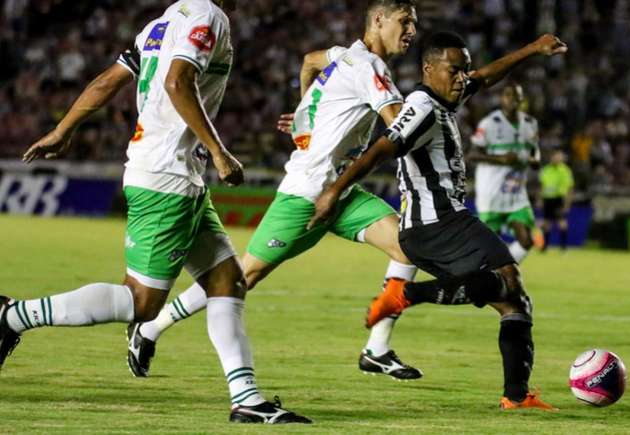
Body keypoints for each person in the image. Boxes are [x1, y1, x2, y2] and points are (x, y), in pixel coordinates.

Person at [0, 0, 310, 424]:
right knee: (142, 303)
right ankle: (12, 315)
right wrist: (220, 152)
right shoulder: (207, 16)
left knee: (227, 281)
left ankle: (247, 398)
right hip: (168, 176)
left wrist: (63, 128)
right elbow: (178, 83)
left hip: (178, 175)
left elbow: (108, 80)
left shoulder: (162, 22)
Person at [131, 0, 424, 381]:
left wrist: (306, 115)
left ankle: (377, 349)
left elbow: (309, 61)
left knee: (408, 244)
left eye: (414, 24)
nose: (412, 31)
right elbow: (398, 123)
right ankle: (150, 328)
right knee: (240, 278)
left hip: (341, 191)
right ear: (379, 20)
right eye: (405, 22)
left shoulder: (343, 54)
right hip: (305, 194)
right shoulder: (370, 68)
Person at [309, 31, 567, 410]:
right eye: (455, 70)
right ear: (429, 68)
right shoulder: (421, 107)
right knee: (509, 279)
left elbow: (485, 77)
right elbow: (383, 147)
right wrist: (333, 191)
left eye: (464, 70)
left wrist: (532, 48)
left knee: (514, 303)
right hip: (438, 223)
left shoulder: (444, 96)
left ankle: (516, 396)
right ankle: (406, 294)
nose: (463, 78)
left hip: (437, 226)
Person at [468, 82, 541, 263]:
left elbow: (535, 151)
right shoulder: (490, 123)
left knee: (526, 240)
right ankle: (488, 273)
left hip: (516, 192)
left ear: (522, 99)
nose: (513, 100)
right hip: (491, 192)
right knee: (489, 244)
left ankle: (504, 273)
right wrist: (500, 159)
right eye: (508, 95)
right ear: (501, 99)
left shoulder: (530, 124)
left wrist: (535, 160)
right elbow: (472, 155)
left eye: (517, 96)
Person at [538, 149, 574, 252]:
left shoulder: (565, 171)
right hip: (547, 198)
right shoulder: (545, 170)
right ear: (551, 157)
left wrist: (567, 204)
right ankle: (545, 246)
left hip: (559, 199)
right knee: (546, 223)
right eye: (556, 156)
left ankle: (563, 247)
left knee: (562, 222)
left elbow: (570, 189)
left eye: (560, 156)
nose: (558, 158)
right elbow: (541, 186)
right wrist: (540, 199)